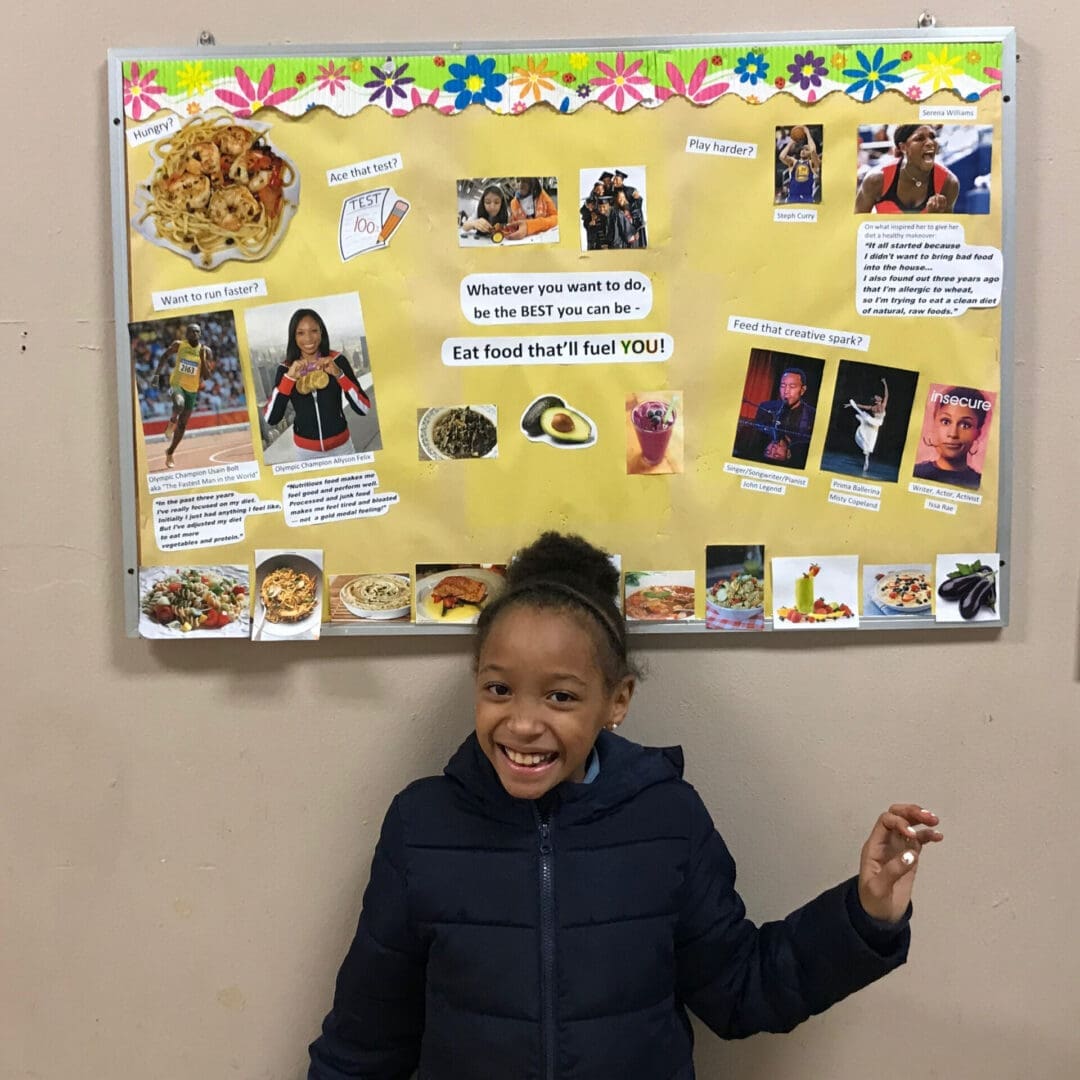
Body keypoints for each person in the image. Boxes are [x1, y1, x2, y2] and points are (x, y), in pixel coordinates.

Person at [307, 531, 943, 1080]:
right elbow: (367, 1038)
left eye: (560, 697)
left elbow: (742, 991)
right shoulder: (422, 826)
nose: (523, 724)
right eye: (499, 689)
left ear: (616, 702)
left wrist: (864, 916)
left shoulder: (668, 818)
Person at [264, 308, 370, 461]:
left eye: (313, 330)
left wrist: (339, 374)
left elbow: (363, 408)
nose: (308, 338)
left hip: (342, 449)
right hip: (306, 453)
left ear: (322, 332)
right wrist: (289, 379)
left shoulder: (337, 361)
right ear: (293, 337)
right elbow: (272, 418)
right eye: (300, 333)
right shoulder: (286, 369)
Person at [855, 124, 959, 213]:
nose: (930, 143)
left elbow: (946, 234)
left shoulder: (949, 182)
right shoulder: (876, 179)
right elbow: (855, 226)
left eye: (932, 137)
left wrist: (936, 218)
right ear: (903, 147)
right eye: (919, 138)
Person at [153, 323, 215, 469]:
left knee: (183, 425)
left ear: (201, 334)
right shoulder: (179, 345)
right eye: (191, 331)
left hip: (192, 390)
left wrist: (203, 359)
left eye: (197, 331)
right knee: (179, 404)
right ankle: (172, 420)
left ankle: (170, 452)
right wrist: (156, 375)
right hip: (177, 383)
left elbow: (206, 377)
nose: (194, 334)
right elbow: (164, 356)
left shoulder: (206, 351)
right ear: (186, 334)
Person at [913, 385, 990, 490]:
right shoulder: (916, 473)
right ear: (935, 423)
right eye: (946, 421)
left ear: (978, 432)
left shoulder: (980, 484)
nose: (953, 434)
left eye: (965, 425)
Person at [752, 367, 817, 467]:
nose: (786, 391)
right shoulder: (766, 407)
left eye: (792, 386)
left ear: (802, 390)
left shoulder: (812, 415)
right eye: (783, 386)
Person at [844, 376, 889, 474]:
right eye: (877, 397)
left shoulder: (882, 406)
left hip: (876, 425)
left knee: (869, 443)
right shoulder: (874, 407)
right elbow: (862, 406)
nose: (879, 396)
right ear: (877, 400)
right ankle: (866, 461)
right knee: (867, 443)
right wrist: (851, 405)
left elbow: (886, 395)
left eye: (878, 396)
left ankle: (860, 415)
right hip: (873, 424)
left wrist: (884, 383)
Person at [779, 130, 821, 203]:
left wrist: (808, 134)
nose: (803, 151)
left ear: (810, 153)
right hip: (792, 198)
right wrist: (791, 142)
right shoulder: (794, 162)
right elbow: (782, 156)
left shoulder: (812, 164)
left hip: (807, 198)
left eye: (806, 149)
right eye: (802, 149)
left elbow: (813, 150)